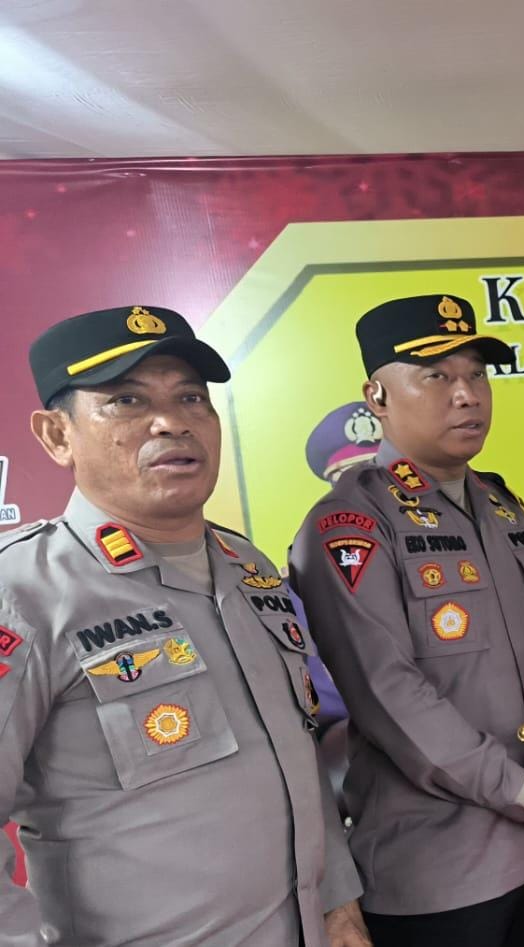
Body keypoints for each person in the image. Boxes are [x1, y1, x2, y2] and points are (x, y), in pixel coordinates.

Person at [1, 305, 366, 945]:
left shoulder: (247, 566)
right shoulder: (24, 590)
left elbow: (295, 756)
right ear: (57, 435)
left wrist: (337, 904)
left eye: (191, 398)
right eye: (126, 400)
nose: (171, 421)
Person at [289, 294, 524, 947]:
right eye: (437, 375)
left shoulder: (504, 504)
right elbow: (389, 694)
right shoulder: (350, 523)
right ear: (376, 396)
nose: (466, 395)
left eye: (476, 374)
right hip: (440, 876)